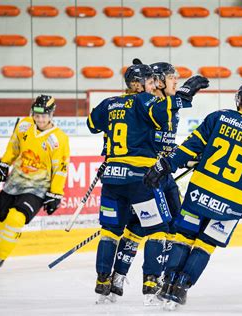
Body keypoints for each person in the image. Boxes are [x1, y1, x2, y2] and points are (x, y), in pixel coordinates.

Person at [143, 81, 242, 308]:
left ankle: (168, 284)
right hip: (231, 203)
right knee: (205, 245)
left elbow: (189, 148)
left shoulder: (218, 117)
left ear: (239, 99)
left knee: (184, 237)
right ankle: (181, 287)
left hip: (199, 193)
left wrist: (166, 165)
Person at [86, 61, 209, 304]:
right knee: (154, 229)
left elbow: (93, 124)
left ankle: (105, 279)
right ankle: (148, 282)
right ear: (140, 84)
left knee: (114, 230)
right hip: (144, 176)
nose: (153, 84)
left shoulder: (112, 102)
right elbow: (157, 115)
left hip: (121, 175)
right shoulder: (147, 103)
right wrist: (186, 93)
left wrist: (183, 158)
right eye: (152, 81)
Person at [0, 95, 70, 274]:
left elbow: (60, 169)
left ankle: (0, 257)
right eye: (37, 114)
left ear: (51, 114)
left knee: (16, 218)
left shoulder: (59, 139)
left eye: (44, 115)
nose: (40, 119)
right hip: (15, 181)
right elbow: (13, 147)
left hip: (38, 187)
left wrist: (56, 193)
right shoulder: (24, 124)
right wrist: (4, 163)